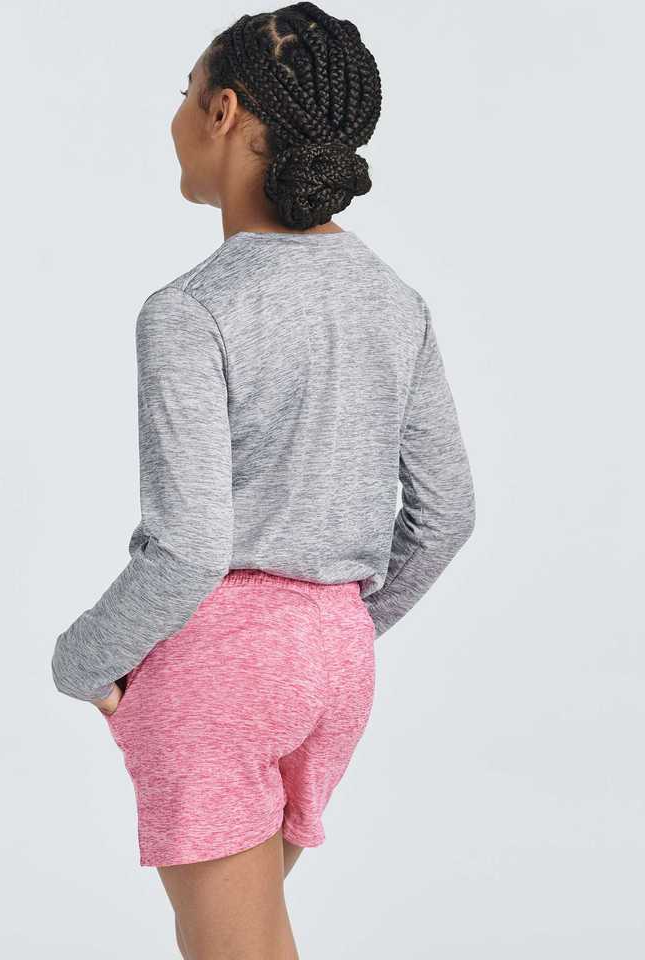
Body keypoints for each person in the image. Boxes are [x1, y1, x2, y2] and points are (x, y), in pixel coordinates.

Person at [50, 4, 476, 957]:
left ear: (225, 112)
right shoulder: (395, 302)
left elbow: (191, 546)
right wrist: (339, 622)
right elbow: (447, 514)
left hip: (219, 673)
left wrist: (80, 661)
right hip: (337, 667)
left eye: (186, 93)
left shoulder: (192, 310)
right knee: (256, 941)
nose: (176, 116)